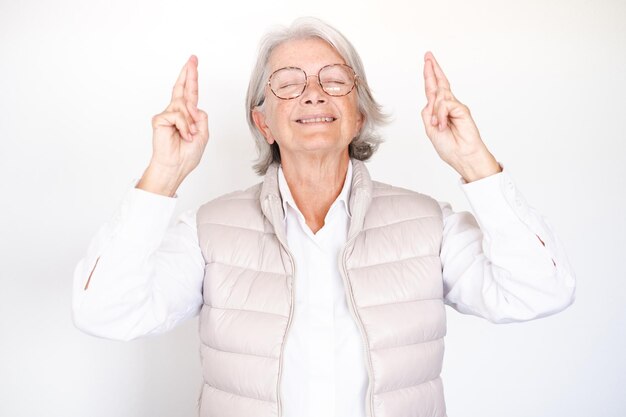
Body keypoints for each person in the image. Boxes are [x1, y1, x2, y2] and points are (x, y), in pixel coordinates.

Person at [72, 17, 575, 417]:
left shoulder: (428, 224)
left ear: (358, 113)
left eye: (333, 80)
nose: (313, 93)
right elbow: (105, 313)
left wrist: (473, 163)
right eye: (288, 83)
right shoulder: (209, 231)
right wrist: (163, 175)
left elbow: (539, 292)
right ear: (263, 121)